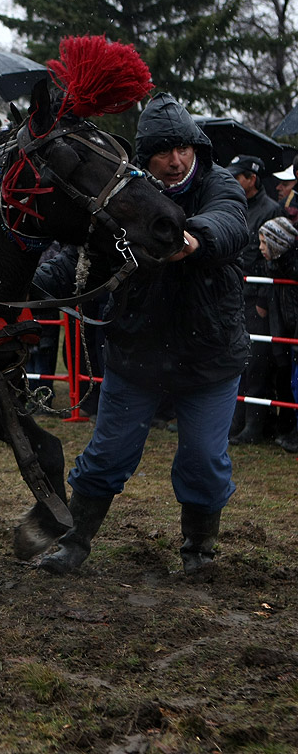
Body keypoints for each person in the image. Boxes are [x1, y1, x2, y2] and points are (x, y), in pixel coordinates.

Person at [34, 92, 249, 577]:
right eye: (162, 151)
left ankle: (198, 553)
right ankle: (76, 542)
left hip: (209, 357)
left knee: (204, 460)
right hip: (138, 353)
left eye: (184, 149)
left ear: (197, 148)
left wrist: (192, 238)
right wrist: (31, 285)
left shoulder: (219, 184)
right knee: (107, 454)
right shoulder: (122, 193)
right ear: (144, 154)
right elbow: (78, 259)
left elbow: (231, 223)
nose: (175, 162)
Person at [228, 155, 285, 444]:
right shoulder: (237, 206)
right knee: (237, 361)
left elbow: (272, 257)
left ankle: (255, 425)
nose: (234, 180)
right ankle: (237, 422)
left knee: (258, 363)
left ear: (252, 179)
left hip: (257, 299)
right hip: (235, 295)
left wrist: (263, 299)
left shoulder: (270, 210)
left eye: (239, 176)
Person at [255, 217, 298, 453]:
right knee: (285, 381)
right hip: (282, 329)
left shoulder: (291, 264)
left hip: (292, 330)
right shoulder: (273, 264)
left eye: (264, 243)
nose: (260, 248)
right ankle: (285, 427)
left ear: (277, 243)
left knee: (295, 383)